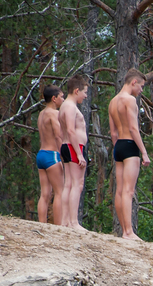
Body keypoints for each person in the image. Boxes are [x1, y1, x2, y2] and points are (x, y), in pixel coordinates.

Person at [108, 69, 150, 240]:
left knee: (120, 191)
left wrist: (118, 147)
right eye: (141, 86)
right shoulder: (130, 100)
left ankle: (124, 230)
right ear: (133, 82)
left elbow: (112, 133)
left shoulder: (112, 102)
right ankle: (128, 232)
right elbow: (133, 128)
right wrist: (144, 152)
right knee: (128, 191)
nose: (141, 90)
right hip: (130, 145)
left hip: (118, 147)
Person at [58, 75, 90, 230]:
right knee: (77, 184)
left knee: (69, 184)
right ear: (76, 90)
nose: (85, 96)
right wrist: (78, 153)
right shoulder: (70, 107)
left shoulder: (63, 106)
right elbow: (70, 129)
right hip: (73, 147)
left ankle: (65, 221)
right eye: (84, 92)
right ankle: (73, 222)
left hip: (66, 146)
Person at [35, 85, 65, 224]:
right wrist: (63, 155)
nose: (63, 100)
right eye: (61, 97)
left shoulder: (41, 114)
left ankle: (42, 224)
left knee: (45, 194)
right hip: (52, 155)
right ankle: (59, 226)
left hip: (41, 154)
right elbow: (58, 136)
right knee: (60, 192)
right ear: (54, 98)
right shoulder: (54, 114)